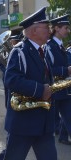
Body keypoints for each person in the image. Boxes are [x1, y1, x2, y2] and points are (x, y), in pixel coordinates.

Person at [0, 7, 57, 160]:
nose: (50, 31)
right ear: (34, 31)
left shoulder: (43, 51)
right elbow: (11, 79)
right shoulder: (19, 51)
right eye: (46, 27)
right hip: (23, 123)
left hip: (43, 123)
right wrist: (40, 90)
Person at [44, 14, 71, 145]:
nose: (68, 30)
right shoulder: (49, 46)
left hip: (65, 89)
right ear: (57, 28)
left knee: (69, 116)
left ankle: (63, 136)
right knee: (49, 121)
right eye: (66, 27)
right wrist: (67, 70)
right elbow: (48, 70)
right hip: (54, 90)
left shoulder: (60, 46)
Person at [0, 34, 21, 108]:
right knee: (7, 93)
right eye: (11, 41)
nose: (12, 43)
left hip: (17, 75)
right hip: (6, 75)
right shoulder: (3, 52)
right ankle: (7, 107)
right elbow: (1, 65)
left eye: (14, 41)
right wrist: (7, 70)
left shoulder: (19, 50)